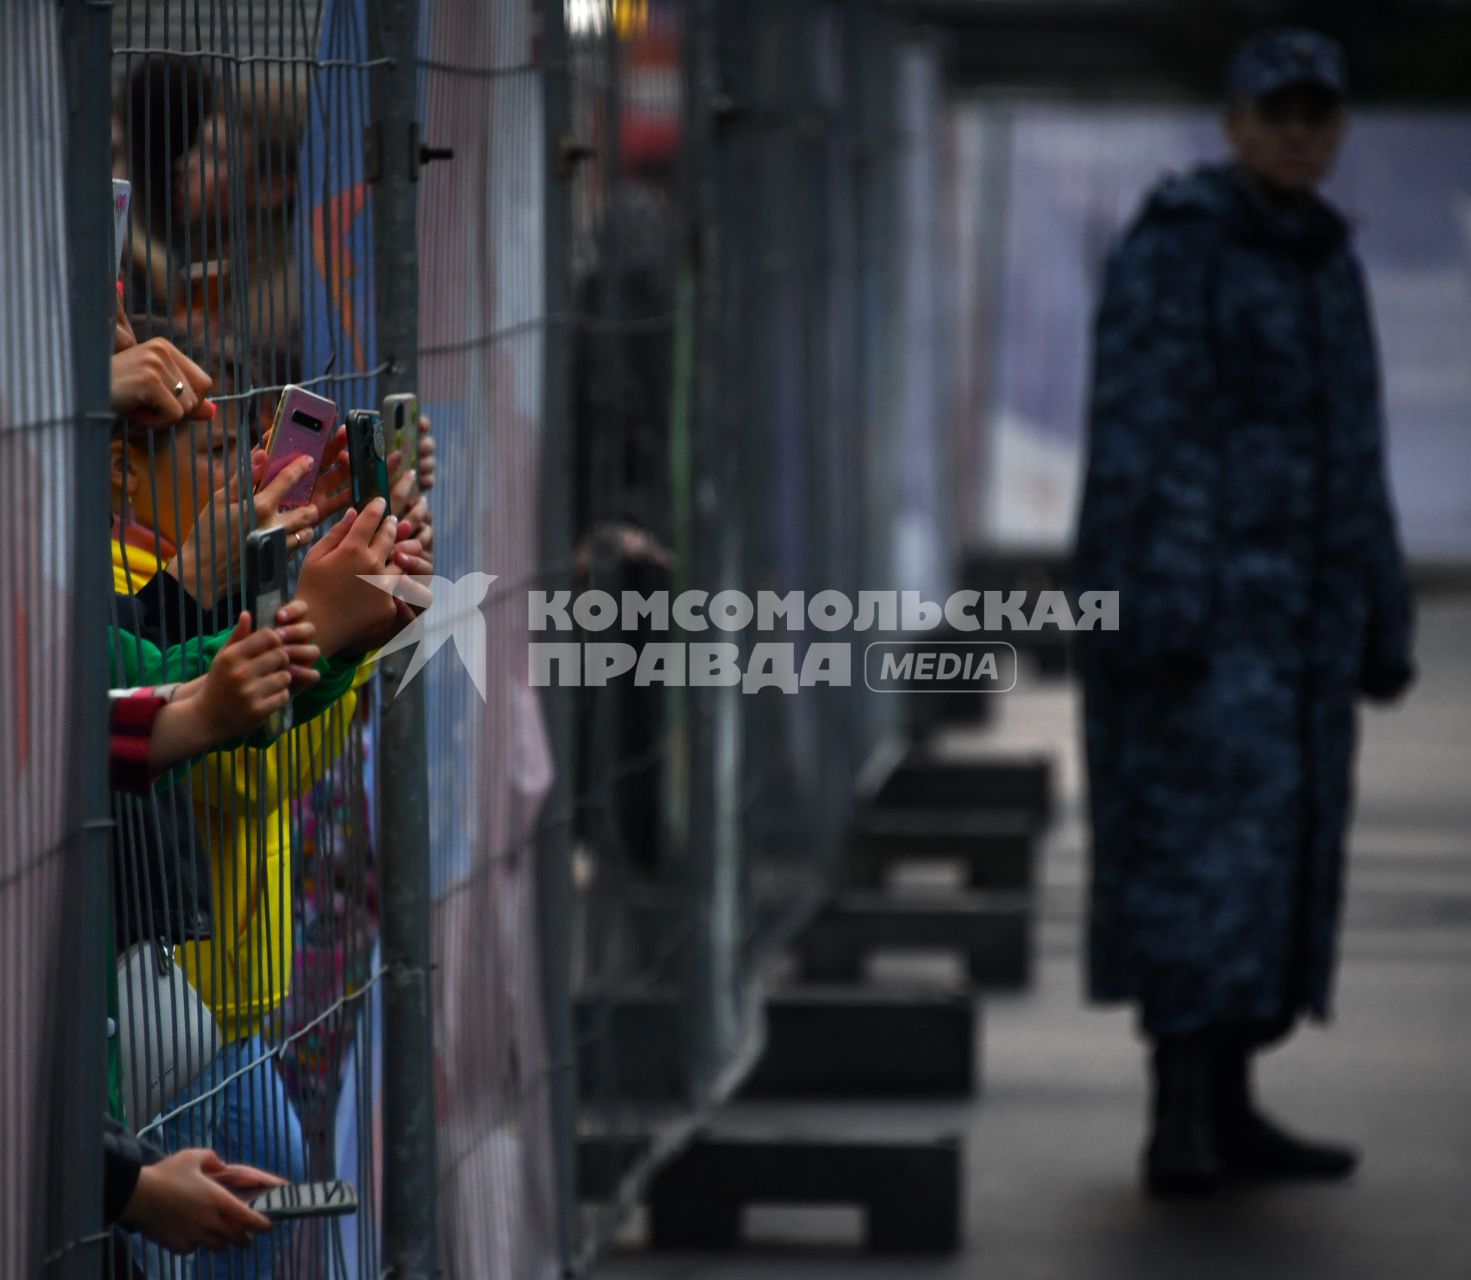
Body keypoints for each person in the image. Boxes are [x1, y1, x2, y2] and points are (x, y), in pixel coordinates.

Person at [1072, 28, 1415, 1197]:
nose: (1297, 135)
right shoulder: (1183, 250)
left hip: (1298, 634)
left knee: (1277, 872)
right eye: (1276, 114)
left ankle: (1230, 1103)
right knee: (1193, 868)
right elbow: (1137, 437)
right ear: (1232, 123)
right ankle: (1180, 1116)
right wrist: (1151, 613)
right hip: (1202, 631)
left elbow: (1355, 453)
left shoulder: (1323, 258)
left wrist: (1378, 613)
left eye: (1316, 116)